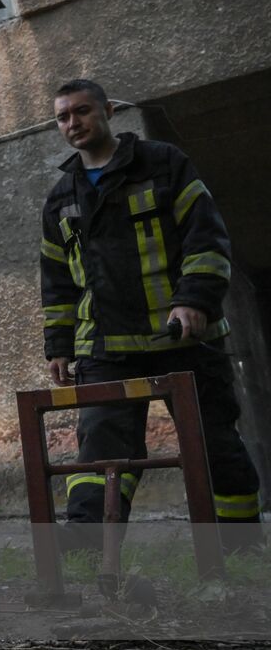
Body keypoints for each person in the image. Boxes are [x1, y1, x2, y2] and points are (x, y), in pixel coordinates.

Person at [39, 79, 262, 546]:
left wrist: (194, 300)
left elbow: (207, 238)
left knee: (214, 446)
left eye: (82, 111)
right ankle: (88, 551)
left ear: (109, 111)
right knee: (99, 454)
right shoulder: (62, 197)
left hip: (182, 338)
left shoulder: (163, 164)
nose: (73, 123)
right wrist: (59, 347)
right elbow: (58, 282)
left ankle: (240, 549)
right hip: (105, 348)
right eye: (63, 116)